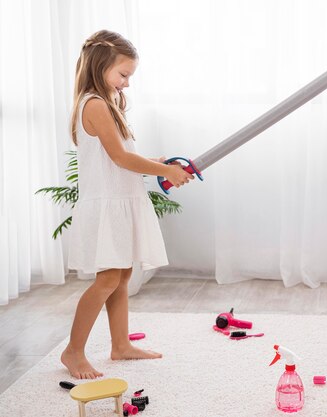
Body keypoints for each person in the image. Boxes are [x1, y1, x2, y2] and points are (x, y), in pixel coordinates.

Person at [61, 30, 194, 379]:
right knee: (106, 280)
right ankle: (73, 351)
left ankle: (120, 345)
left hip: (120, 199)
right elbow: (120, 158)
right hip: (107, 205)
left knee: (121, 277)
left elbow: (120, 156)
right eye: (123, 75)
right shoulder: (94, 104)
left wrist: (158, 162)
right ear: (100, 66)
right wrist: (164, 170)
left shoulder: (110, 103)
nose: (127, 84)